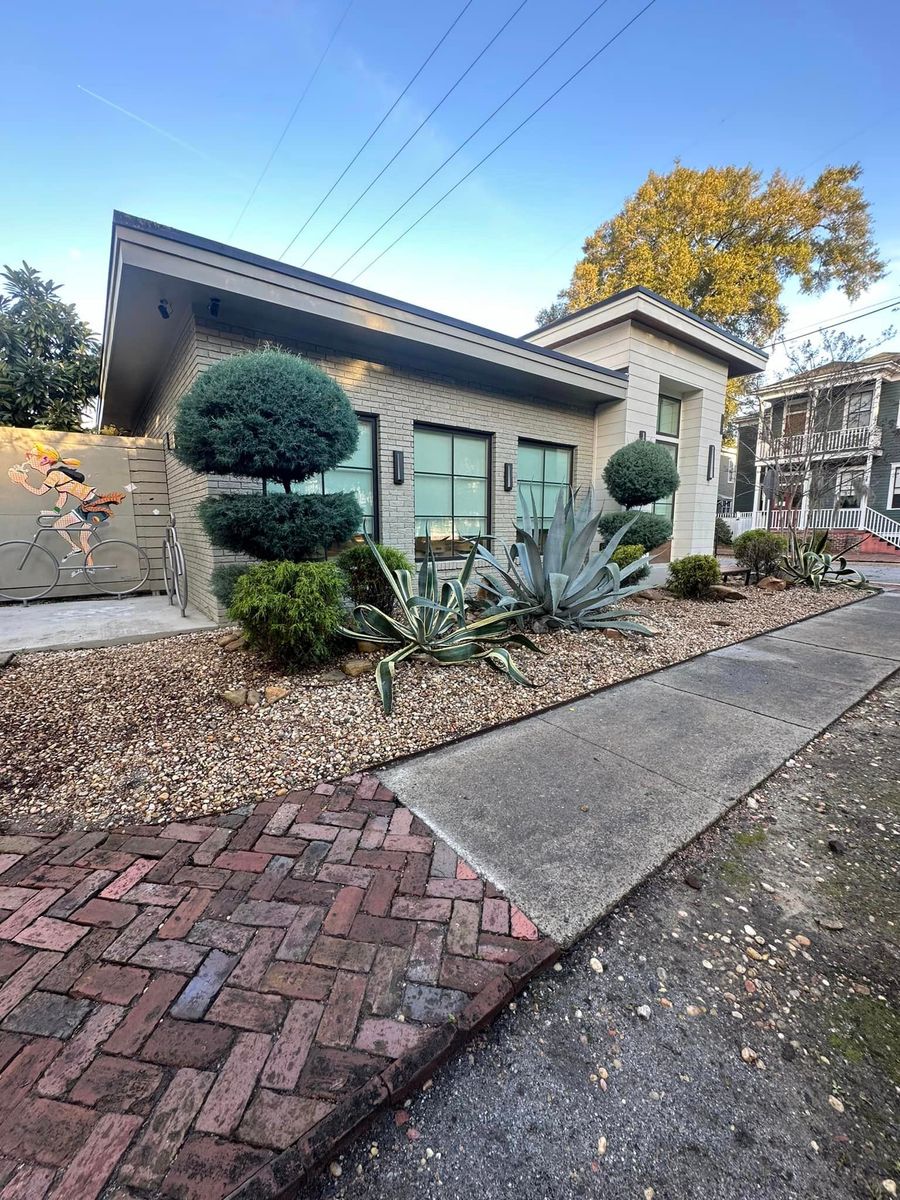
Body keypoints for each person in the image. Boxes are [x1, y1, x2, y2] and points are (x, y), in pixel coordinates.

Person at [7, 442, 125, 558]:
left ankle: (90, 568)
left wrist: (22, 482)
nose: (28, 459)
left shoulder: (54, 475)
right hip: (85, 507)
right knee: (59, 524)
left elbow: (40, 492)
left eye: (31, 456)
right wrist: (55, 511)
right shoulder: (54, 475)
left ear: (44, 459)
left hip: (96, 507)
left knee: (83, 538)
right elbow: (63, 495)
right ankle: (75, 548)